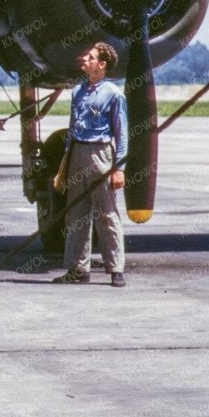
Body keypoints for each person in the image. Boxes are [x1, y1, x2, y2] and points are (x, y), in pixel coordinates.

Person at [54, 40, 127, 287]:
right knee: (76, 215)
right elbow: (72, 128)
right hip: (77, 153)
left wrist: (119, 168)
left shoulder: (114, 94)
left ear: (102, 65)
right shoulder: (78, 91)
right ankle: (78, 269)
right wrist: (64, 165)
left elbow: (122, 133)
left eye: (91, 57)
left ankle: (116, 269)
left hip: (101, 155)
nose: (85, 60)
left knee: (107, 213)